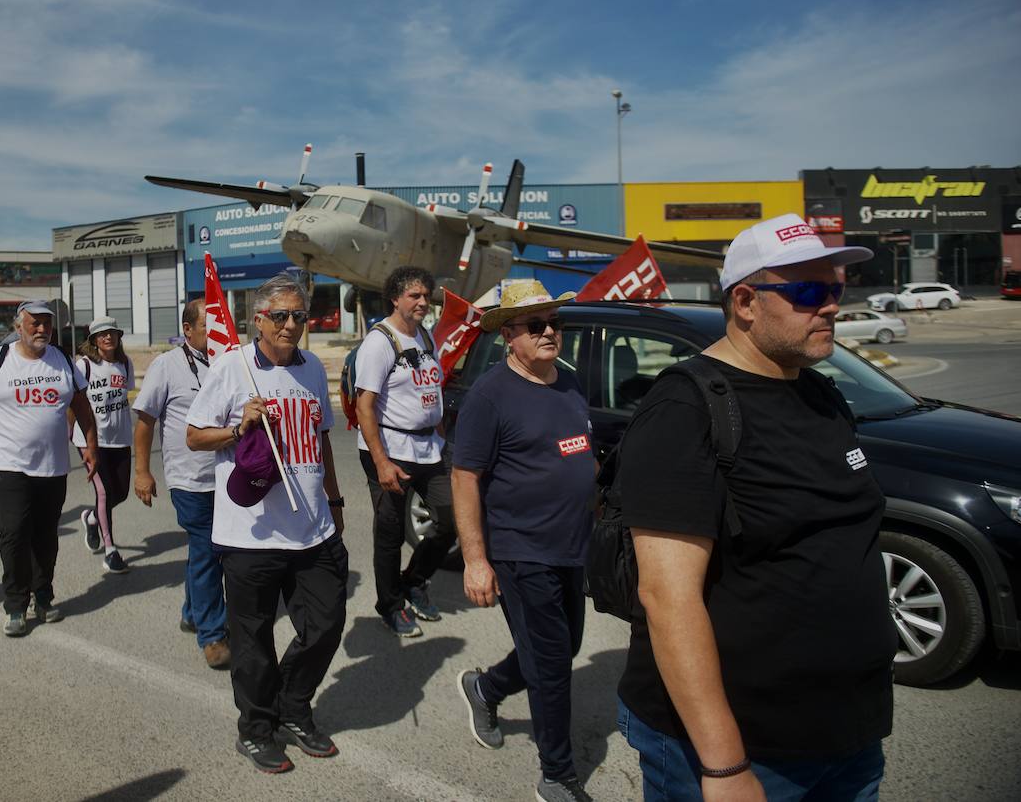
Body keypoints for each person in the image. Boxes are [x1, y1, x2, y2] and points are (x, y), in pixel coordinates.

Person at [615, 214, 894, 801]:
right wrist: (724, 766)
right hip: (742, 751)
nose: (832, 308)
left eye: (837, 289)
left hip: (848, 736)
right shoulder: (685, 409)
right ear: (745, 301)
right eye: (810, 292)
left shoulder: (820, 391)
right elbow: (667, 597)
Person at [186, 274, 347, 774]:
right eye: (281, 315)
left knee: (325, 625)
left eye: (300, 315)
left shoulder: (314, 369)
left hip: (312, 526)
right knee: (252, 641)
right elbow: (194, 436)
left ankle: (293, 707)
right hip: (249, 533)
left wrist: (336, 499)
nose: (292, 324)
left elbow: (321, 439)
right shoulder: (233, 369)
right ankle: (256, 729)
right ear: (259, 320)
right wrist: (239, 428)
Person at [450, 280, 595, 802]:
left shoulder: (570, 384)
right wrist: (475, 560)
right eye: (536, 325)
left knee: (565, 646)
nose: (550, 331)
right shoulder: (490, 396)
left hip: (571, 545)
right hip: (520, 548)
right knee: (552, 663)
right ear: (509, 335)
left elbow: (577, 452)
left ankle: (485, 688)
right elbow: (464, 476)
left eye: (555, 321)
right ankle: (557, 774)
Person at [0, 301, 97, 637]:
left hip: (52, 467)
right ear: (19, 326)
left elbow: (81, 404)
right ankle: (15, 605)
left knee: (45, 536)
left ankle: (44, 596)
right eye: (34, 324)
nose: (41, 330)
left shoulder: (63, 360)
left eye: (46, 325)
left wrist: (90, 446)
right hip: (9, 464)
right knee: (14, 533)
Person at [355, 265, 456, 638]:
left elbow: (432, 395)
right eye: (414, 295)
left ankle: (414, 581)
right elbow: (365, 405)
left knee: (449, 520)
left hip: (429, 447)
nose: (422, 302)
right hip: (390, 450)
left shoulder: (426, 337)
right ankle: (391, 605)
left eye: (425, 296)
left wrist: (442, 438)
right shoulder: (380, 341)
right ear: (395, 298)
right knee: (391, 532)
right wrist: (381, 462)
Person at [133, 298, 229, 669]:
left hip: (226, 477)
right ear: (188, 330)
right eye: (208, 326)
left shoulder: (228, 363)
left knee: (206, 552)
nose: (216, 332)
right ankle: (213, 635)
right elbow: (144, 421)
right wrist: (142, 471)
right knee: (208, 550)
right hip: (189, 480)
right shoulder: (167, 366)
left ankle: (193, 611)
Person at [71, 316, 134, 574]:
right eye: (102, 334)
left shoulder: (124, 364)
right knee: (104, 493)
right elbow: (73, 404)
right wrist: (80, 441)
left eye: (112, 333)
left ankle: (92, 518)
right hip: (90, 441)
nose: (108, 337)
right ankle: (110, 550)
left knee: (120, 493)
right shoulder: (83, 365)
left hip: (120, 438)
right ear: (94, 340)